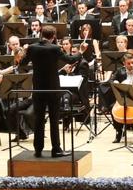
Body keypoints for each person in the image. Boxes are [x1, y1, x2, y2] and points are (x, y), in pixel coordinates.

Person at [21, 26, 86, 157]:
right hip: (53, 89)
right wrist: (81, 51)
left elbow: (22, 63)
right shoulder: (55, 48)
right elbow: (71, 60)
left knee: (38, 119)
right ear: (54, 36)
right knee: (54, 119)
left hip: (38, 89)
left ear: (41, 34)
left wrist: (24, 52)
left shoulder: (32, 47)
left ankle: (38, 149)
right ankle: (56, 149)